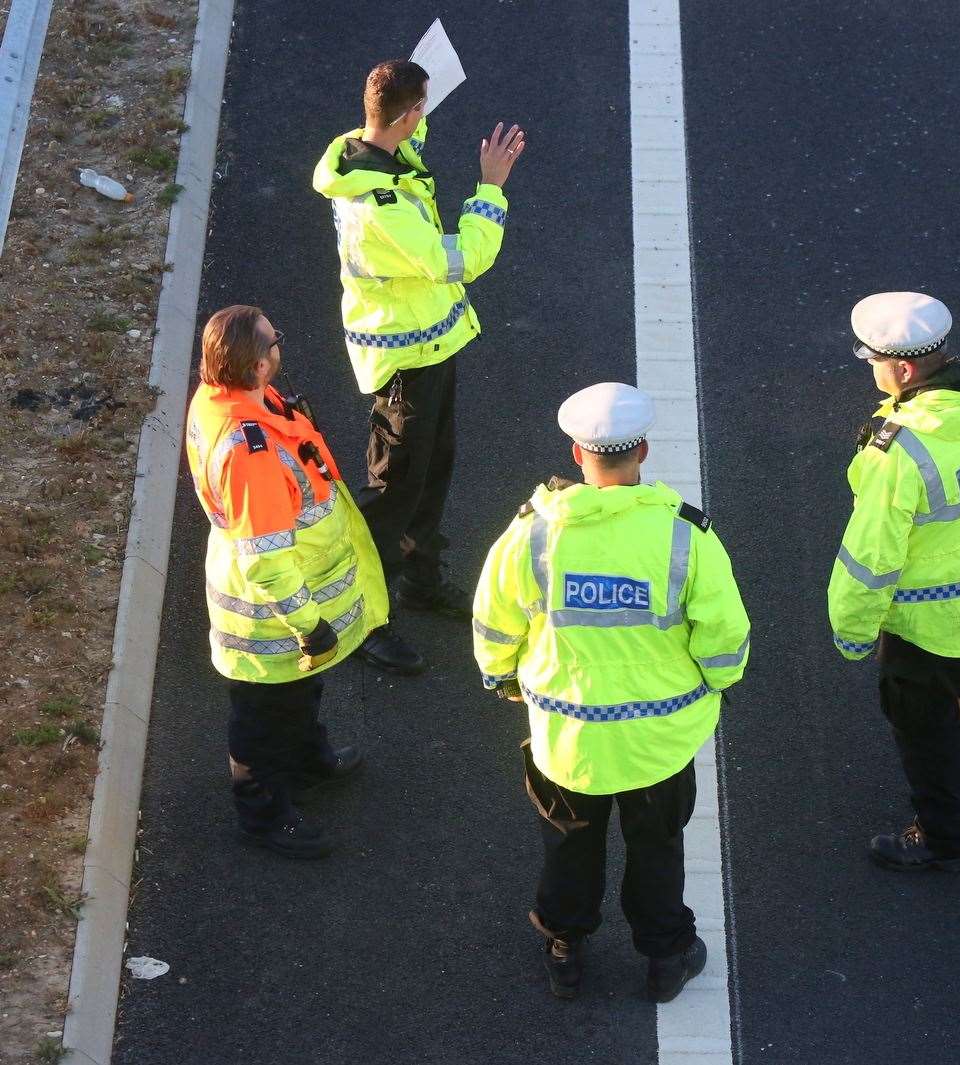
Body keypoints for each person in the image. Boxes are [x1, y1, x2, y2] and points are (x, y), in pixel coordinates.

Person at [472, 383, 751, 1002]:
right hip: (658, 740)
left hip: (570, 741)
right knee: (656, 849)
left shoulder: (534, 535)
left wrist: (502, 677)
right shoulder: (684, 536)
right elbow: (724, 633)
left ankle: (565, 951)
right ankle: (666, 958)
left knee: (570, 845)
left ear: (577, 455)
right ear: (643, 450)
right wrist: (719, 684)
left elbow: (494, 619)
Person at [312, 58, 526, 643]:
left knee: (431, 474)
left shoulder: (370, 151)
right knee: (395, 490)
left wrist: (421, 70)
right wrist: (491, 188)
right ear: (407, 114)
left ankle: (421, 578)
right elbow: (455, 262)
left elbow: (408, 124)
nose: (423, 119)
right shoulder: (382, 208)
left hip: (430, 349)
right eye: (421, 108)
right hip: (405, 366)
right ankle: (366, 616)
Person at [827, 292, 960, 871]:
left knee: (925, 733)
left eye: (873, 360)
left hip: (925, 625)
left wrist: (853, 633)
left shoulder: (901, 449)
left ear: (905, 368)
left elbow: (869, 558)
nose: (870, 369)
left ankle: (940, 836)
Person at [185, 305, 392, 859]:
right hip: (271, 618)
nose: (281, 343)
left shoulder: (227, 400)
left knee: (297, 695)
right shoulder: (249, 450)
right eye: (273, 340)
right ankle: (263, 816)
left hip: (279, 605)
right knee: (260, 720)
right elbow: (266, 559)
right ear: (256, 367)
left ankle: (305, 759)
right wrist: (309, 626)